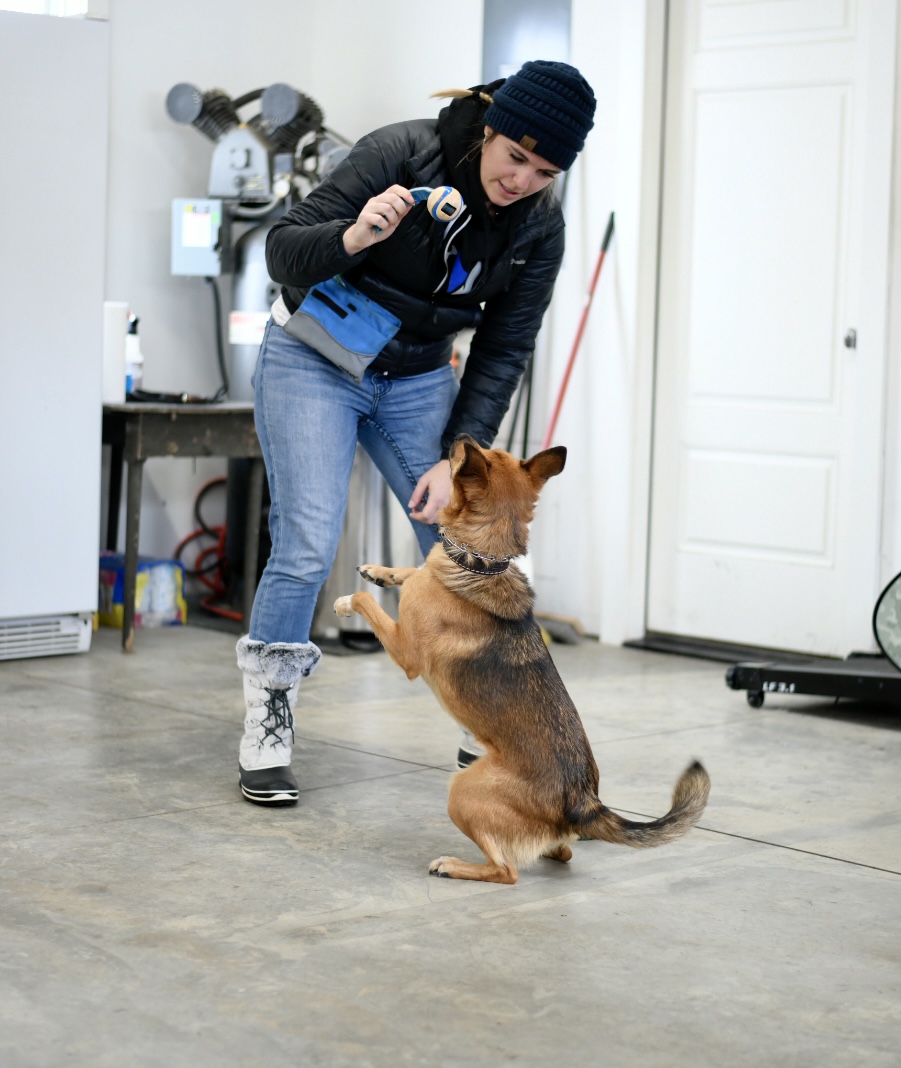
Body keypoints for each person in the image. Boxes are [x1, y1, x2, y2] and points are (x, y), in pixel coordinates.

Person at [236, 59, 597, 805]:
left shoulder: (540, 227)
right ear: (489, 126)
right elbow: (282, 249)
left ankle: (488, 718)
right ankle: (269, 716)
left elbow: (503, 347)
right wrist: (353, 235)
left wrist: (452, 455)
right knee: (306, 541)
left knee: (471, 549)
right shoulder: (398, 152)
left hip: (419, 378)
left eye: (544, 170)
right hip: (313, 358)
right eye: (515, 158)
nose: (522, 180)